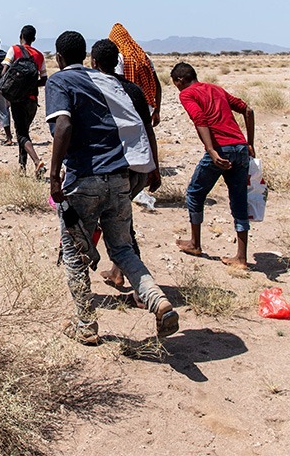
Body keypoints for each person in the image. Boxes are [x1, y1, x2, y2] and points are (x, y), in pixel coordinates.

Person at [46, 30, 178, 345]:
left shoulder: (60, 81)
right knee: (121, 248)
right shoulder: (105, 81)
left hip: (86, 178)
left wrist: (53, 176)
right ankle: (156, 299)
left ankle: (86, 325)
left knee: (75, 253)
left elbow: (63, 124)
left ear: (59, 58)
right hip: (121, 177)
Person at [90, 38, 161, 291]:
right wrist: (155, 167)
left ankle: (141, 287)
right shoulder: (134, 90)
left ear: (93, 62)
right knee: (122, 220)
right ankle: (118, 273)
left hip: (113, 167)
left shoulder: (96, 89)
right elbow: (148, 131)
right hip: (139, 165)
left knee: (120, 226)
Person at [170, 62, 255, 269]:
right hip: (240, 148)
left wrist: (211, 150)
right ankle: (241, 258)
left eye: (175, 84)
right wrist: (250, 143)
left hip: (221, 150)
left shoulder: (187, 94)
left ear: (180, 80)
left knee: (194, 193)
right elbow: (248, 109)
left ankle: (195, 243)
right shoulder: (215, 88)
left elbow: (199, 118)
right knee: (239, 200)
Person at [1, 25, 47, 176]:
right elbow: (44, 79)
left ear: (21, 36)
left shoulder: (14, 50)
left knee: (21, 134)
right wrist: (31, 85)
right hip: (32, 100)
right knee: (24, 132)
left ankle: (37, 161)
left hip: (18, 100)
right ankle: (22, 168)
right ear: (34, 39)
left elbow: (4, 71)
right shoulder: (40, 55)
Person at [109, 22, 162, 127]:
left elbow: (119, 84)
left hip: (128, 108)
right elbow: (157, 85)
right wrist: (157, 110)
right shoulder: (144, 56)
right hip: (147, 105)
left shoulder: (120, 58)